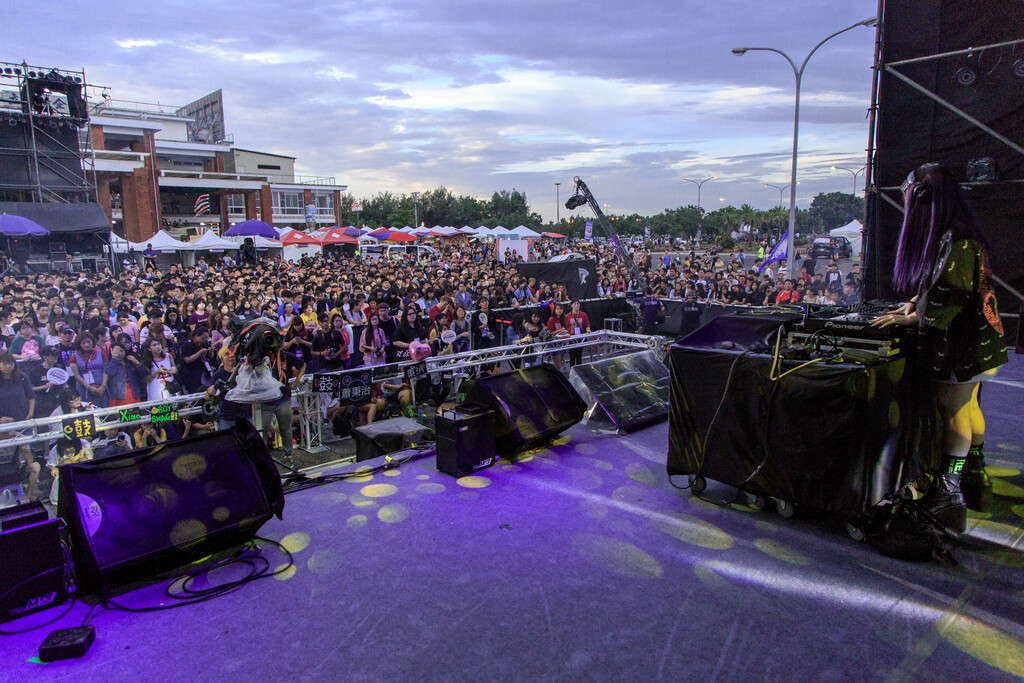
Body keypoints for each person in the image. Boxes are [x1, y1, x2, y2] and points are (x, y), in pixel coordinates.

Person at [872, 163, 1008, 530]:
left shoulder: (957, 238)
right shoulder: (960, 233)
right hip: (980, 343)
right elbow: (943, 280)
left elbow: (953, 293)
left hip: (965, 345)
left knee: (955, 413)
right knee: (969, 406)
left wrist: (912, 318)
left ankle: (950, 494)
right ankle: (974, 478)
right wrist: (915, 302)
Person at [0, 416, 41, 503]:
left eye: (12, 421)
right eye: (7, 422)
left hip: (14, 470)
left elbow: (30, 460)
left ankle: (28, 494)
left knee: (35, 466)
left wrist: (22, 445)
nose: (10, 424)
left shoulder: (18, 436)